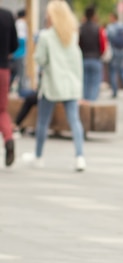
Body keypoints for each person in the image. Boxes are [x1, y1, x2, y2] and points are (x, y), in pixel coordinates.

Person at [23, 0, 85, 171]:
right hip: (71, 84)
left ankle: (39, 156)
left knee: (43, 122)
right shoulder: (72, 35)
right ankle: (80, 157)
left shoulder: (46, 36)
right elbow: (77, 62)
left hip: (52, 85)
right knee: (74, 121)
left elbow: (40, 60)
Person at [0, 5, 18, 167]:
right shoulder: (7, 15)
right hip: (3, 68)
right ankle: (9, 139)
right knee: (2, 110)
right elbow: (15, 44)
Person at [79, 5, 105, 101]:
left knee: (85, 83)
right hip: (95, 58)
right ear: (94, 15)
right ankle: (92, 104)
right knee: (95, 84)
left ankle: (86, 104)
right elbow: (103, 46)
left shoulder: (81, 28)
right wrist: (99, 54)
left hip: (84, 58)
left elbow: (78, 44)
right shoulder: (99, 29)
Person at [106, 11, 123, 98]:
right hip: (122, 52)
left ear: (113, 18)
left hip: (114, 52)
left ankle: (114, 91)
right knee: (122, 70)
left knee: (113, 71)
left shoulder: (110, 27)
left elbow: (107, 39)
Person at [10, 9, 29, 97]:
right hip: (20, 52)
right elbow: (22, 39)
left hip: (14, 53)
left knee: (13, 73)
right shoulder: (22, 23)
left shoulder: (16, 23)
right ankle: (22, 91)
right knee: (20, 73)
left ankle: (8, 88)